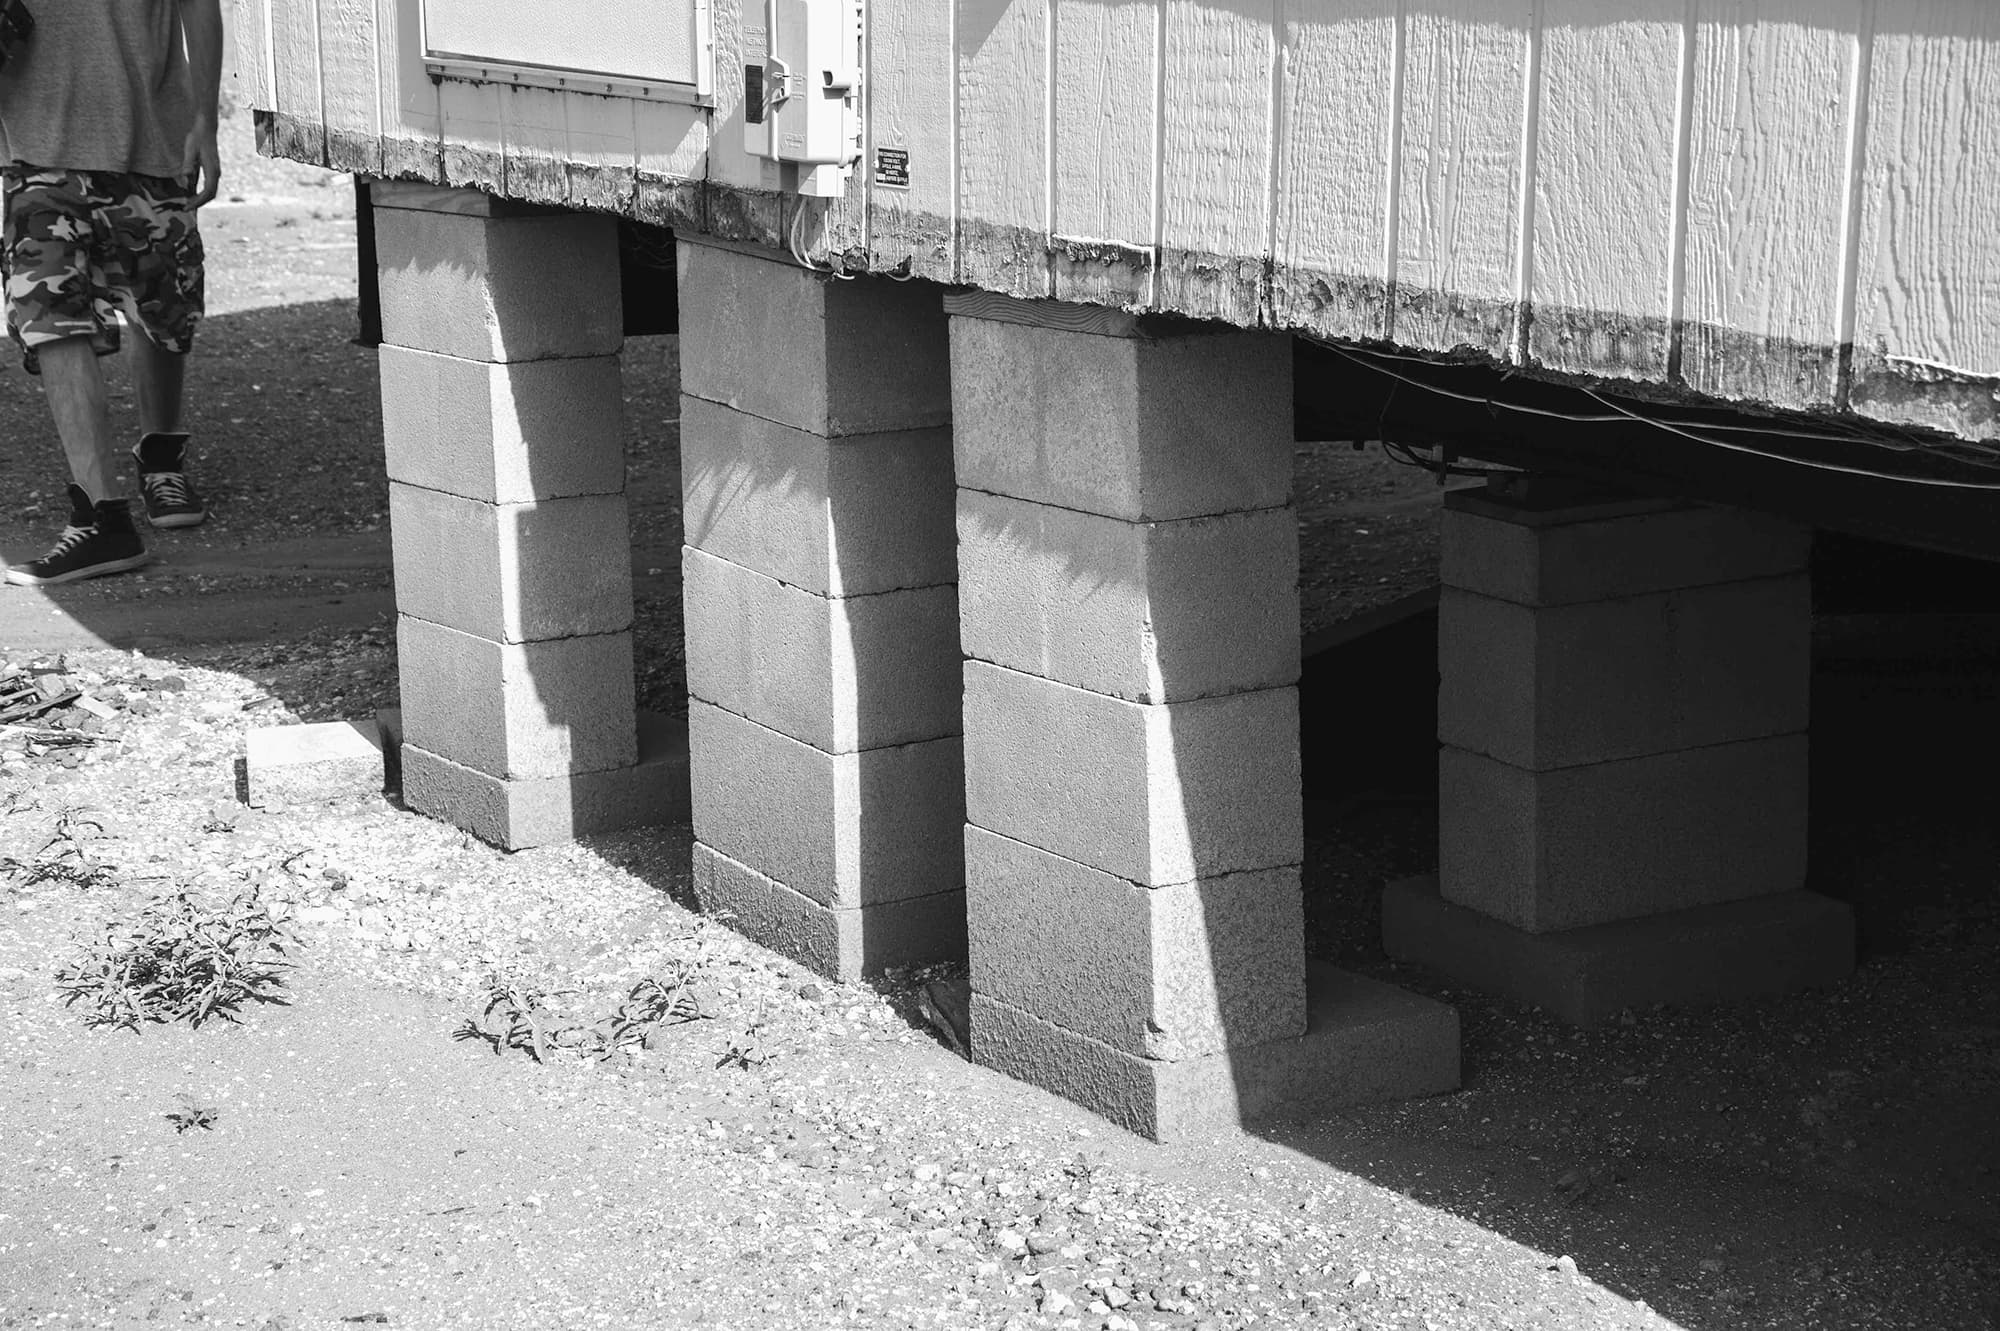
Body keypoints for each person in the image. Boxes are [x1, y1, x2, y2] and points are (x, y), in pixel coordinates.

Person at [0, 0, 221, 586]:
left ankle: (161, 455)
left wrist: (206, 119)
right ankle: (102, 519)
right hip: (37, 145)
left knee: (164, 313)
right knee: (48, 312)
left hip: (154, 136)